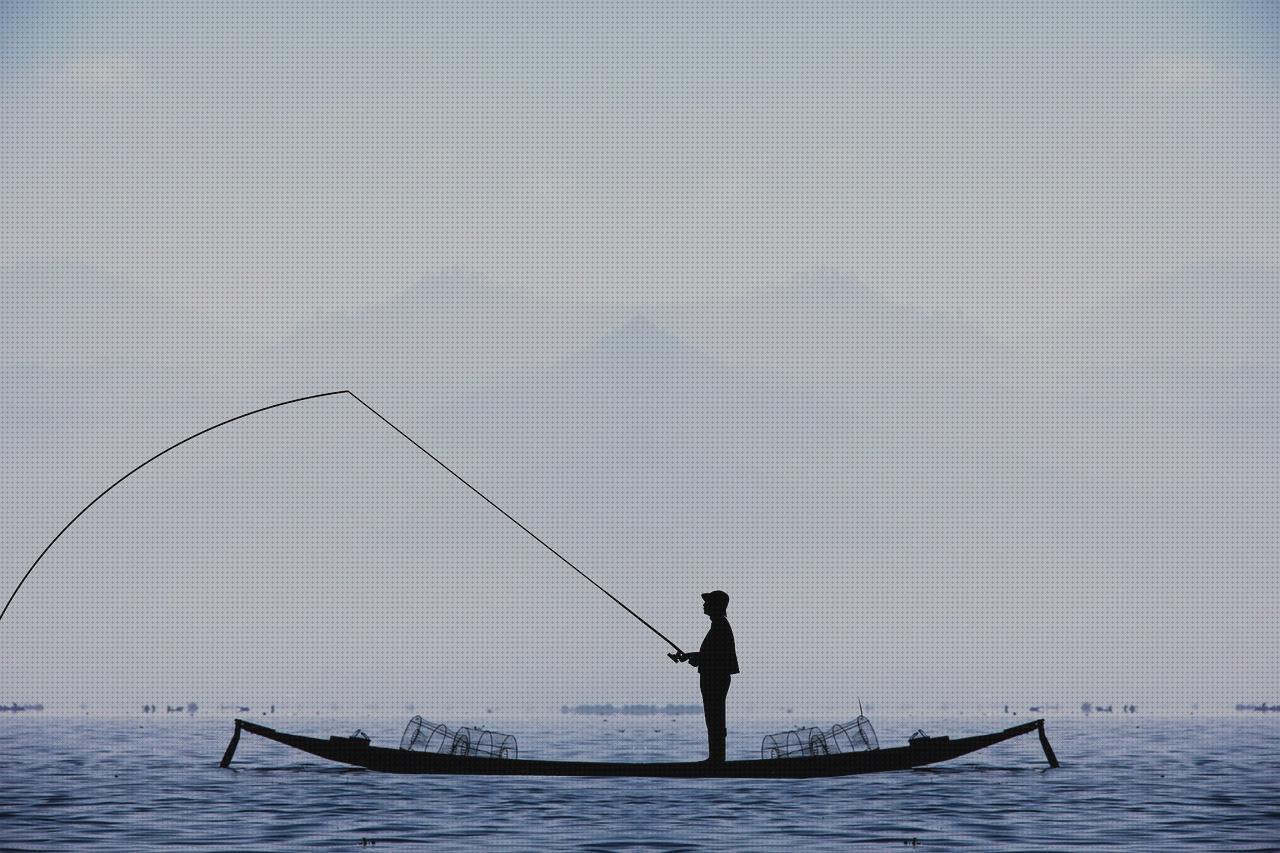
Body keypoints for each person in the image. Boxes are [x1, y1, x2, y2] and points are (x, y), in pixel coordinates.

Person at [669, 590, 739, 762]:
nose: (704, 604)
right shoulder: (718, 626)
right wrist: (691, 657)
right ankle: (716, 757)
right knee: (714, 717)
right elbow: (710, 655)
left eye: (707, 602)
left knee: (715, 717)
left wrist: (695, 658)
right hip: (713, 677)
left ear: (716, 606)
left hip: (715, 678)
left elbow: (714, 657)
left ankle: (716, 759)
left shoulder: (720, 626)